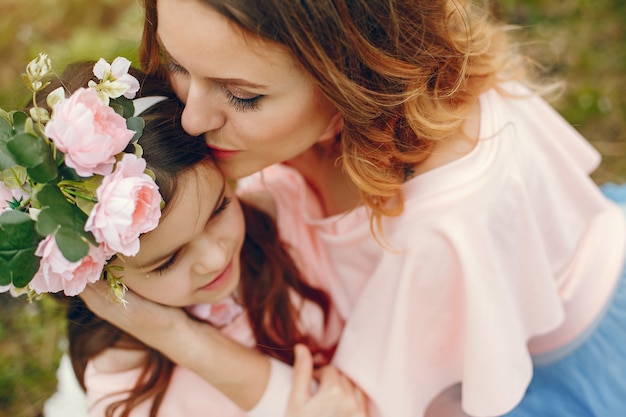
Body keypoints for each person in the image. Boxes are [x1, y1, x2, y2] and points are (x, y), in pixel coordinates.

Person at [80, 0, 626, 416]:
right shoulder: (279, 122)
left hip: (546, 371)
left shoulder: (442, 218)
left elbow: (348, 407)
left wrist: (177, 336)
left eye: (242, 95)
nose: (192, 119)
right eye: (177, 64)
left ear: (352, 79)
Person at [1, 57, 365, 417]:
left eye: (220, 209)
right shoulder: (127, 381)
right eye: (169, 260)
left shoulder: (283, 211)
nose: (214, 258)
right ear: (97, 278)